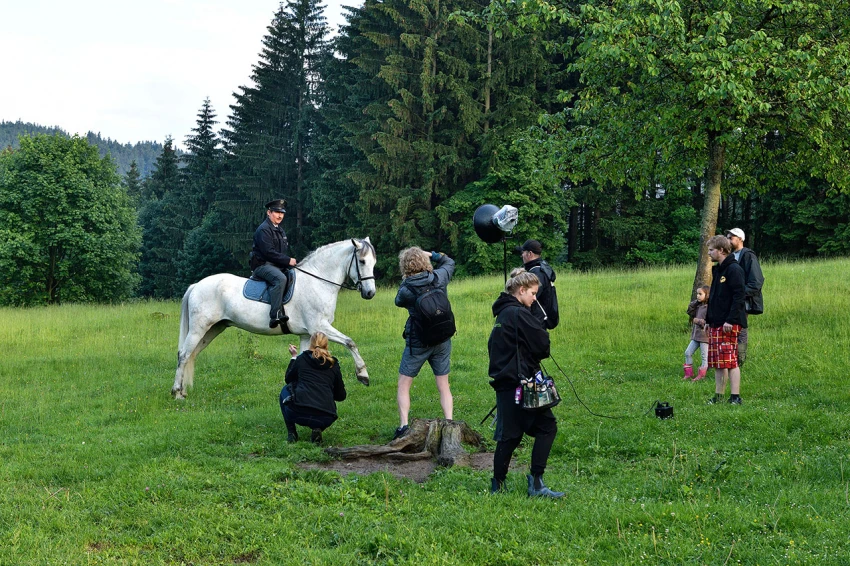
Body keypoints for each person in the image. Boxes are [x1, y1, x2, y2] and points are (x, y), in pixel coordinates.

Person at [487, 269, 564, 498]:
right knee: (547, 427)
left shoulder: (502, 313)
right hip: (521, 384)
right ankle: (537, 484)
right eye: (532, 293)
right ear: (521, 291)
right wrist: (538, 326)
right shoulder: (520, 315)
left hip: (504, 381)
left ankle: (497, 485)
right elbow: (543, 347)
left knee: (509, 435)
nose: (534, 299)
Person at [393, 247, 456, 439]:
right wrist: (434, 255)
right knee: (443, 385)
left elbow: (398, 301)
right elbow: (450, 262)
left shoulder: (406, 290)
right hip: (442, 338)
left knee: (404, 385)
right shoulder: (439, 277)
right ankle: (449, 424)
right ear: (424, 261)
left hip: (418, 341)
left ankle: (404, 426)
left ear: (405, 265)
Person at [279, 332, 347, 444]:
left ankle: (292, 433)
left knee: (285, 390)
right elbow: (341, 396)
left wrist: (294, 357)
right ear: (326, 344)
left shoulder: (301, 359)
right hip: (326, 417)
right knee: (321, 411)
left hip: (298, 412)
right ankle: (317, 428)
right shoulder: (333, 364)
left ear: (310, 343)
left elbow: (288, 379)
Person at [705, 235, 747, 405]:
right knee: (718, 362)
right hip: (717, 322)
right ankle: (719, 396)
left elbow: (739, 297)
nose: (708, 253)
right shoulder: (719, 270)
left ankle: (735, 397)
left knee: (730, 361)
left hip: (730, 323)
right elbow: (714, 298)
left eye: (711, 250)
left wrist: (730, 320)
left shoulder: (734, 269)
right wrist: (709, 319)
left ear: (721, 250)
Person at [251, 199, 297, 328]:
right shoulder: (263, 230)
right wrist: (288, 260)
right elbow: (268, 253)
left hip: (276, 265)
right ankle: (275, 315)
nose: (280, 216)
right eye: (277, 212)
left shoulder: (280, 230)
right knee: (280, 279)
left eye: (282, 213)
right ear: (269, 213)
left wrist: (289, 264)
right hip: (262, 265)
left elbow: (280, 253)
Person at [725, 228, 764, 366]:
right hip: (728, 300)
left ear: (740, 238)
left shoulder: (748, 255)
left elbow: (756, 281)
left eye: (731, 237)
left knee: (740, 328)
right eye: (727, 237)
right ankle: (727, 359)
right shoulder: (728, 256)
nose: (728, 239)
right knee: (728, 328)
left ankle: (739, 361)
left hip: (742, 300)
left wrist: (740, 294)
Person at [515, 239, 559, 329]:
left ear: (529, 254)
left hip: (536, 321)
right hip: (539, 319)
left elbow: (528, 297)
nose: (521, 255)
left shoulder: (536, 273)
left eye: (523, 252)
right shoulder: (542, 268)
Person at [683, 285, 710, 381]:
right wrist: (696, 302)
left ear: (707, 295)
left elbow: (708, 322)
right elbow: (689, 311)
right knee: (688, 352)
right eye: (697, 294)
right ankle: (689, 373)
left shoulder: (709, 308)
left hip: (704, 336)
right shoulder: (698, 305)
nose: (697, 296)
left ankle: (701, 375)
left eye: (700, 294)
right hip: (696, 336)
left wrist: (697, 321)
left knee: (704, 356)